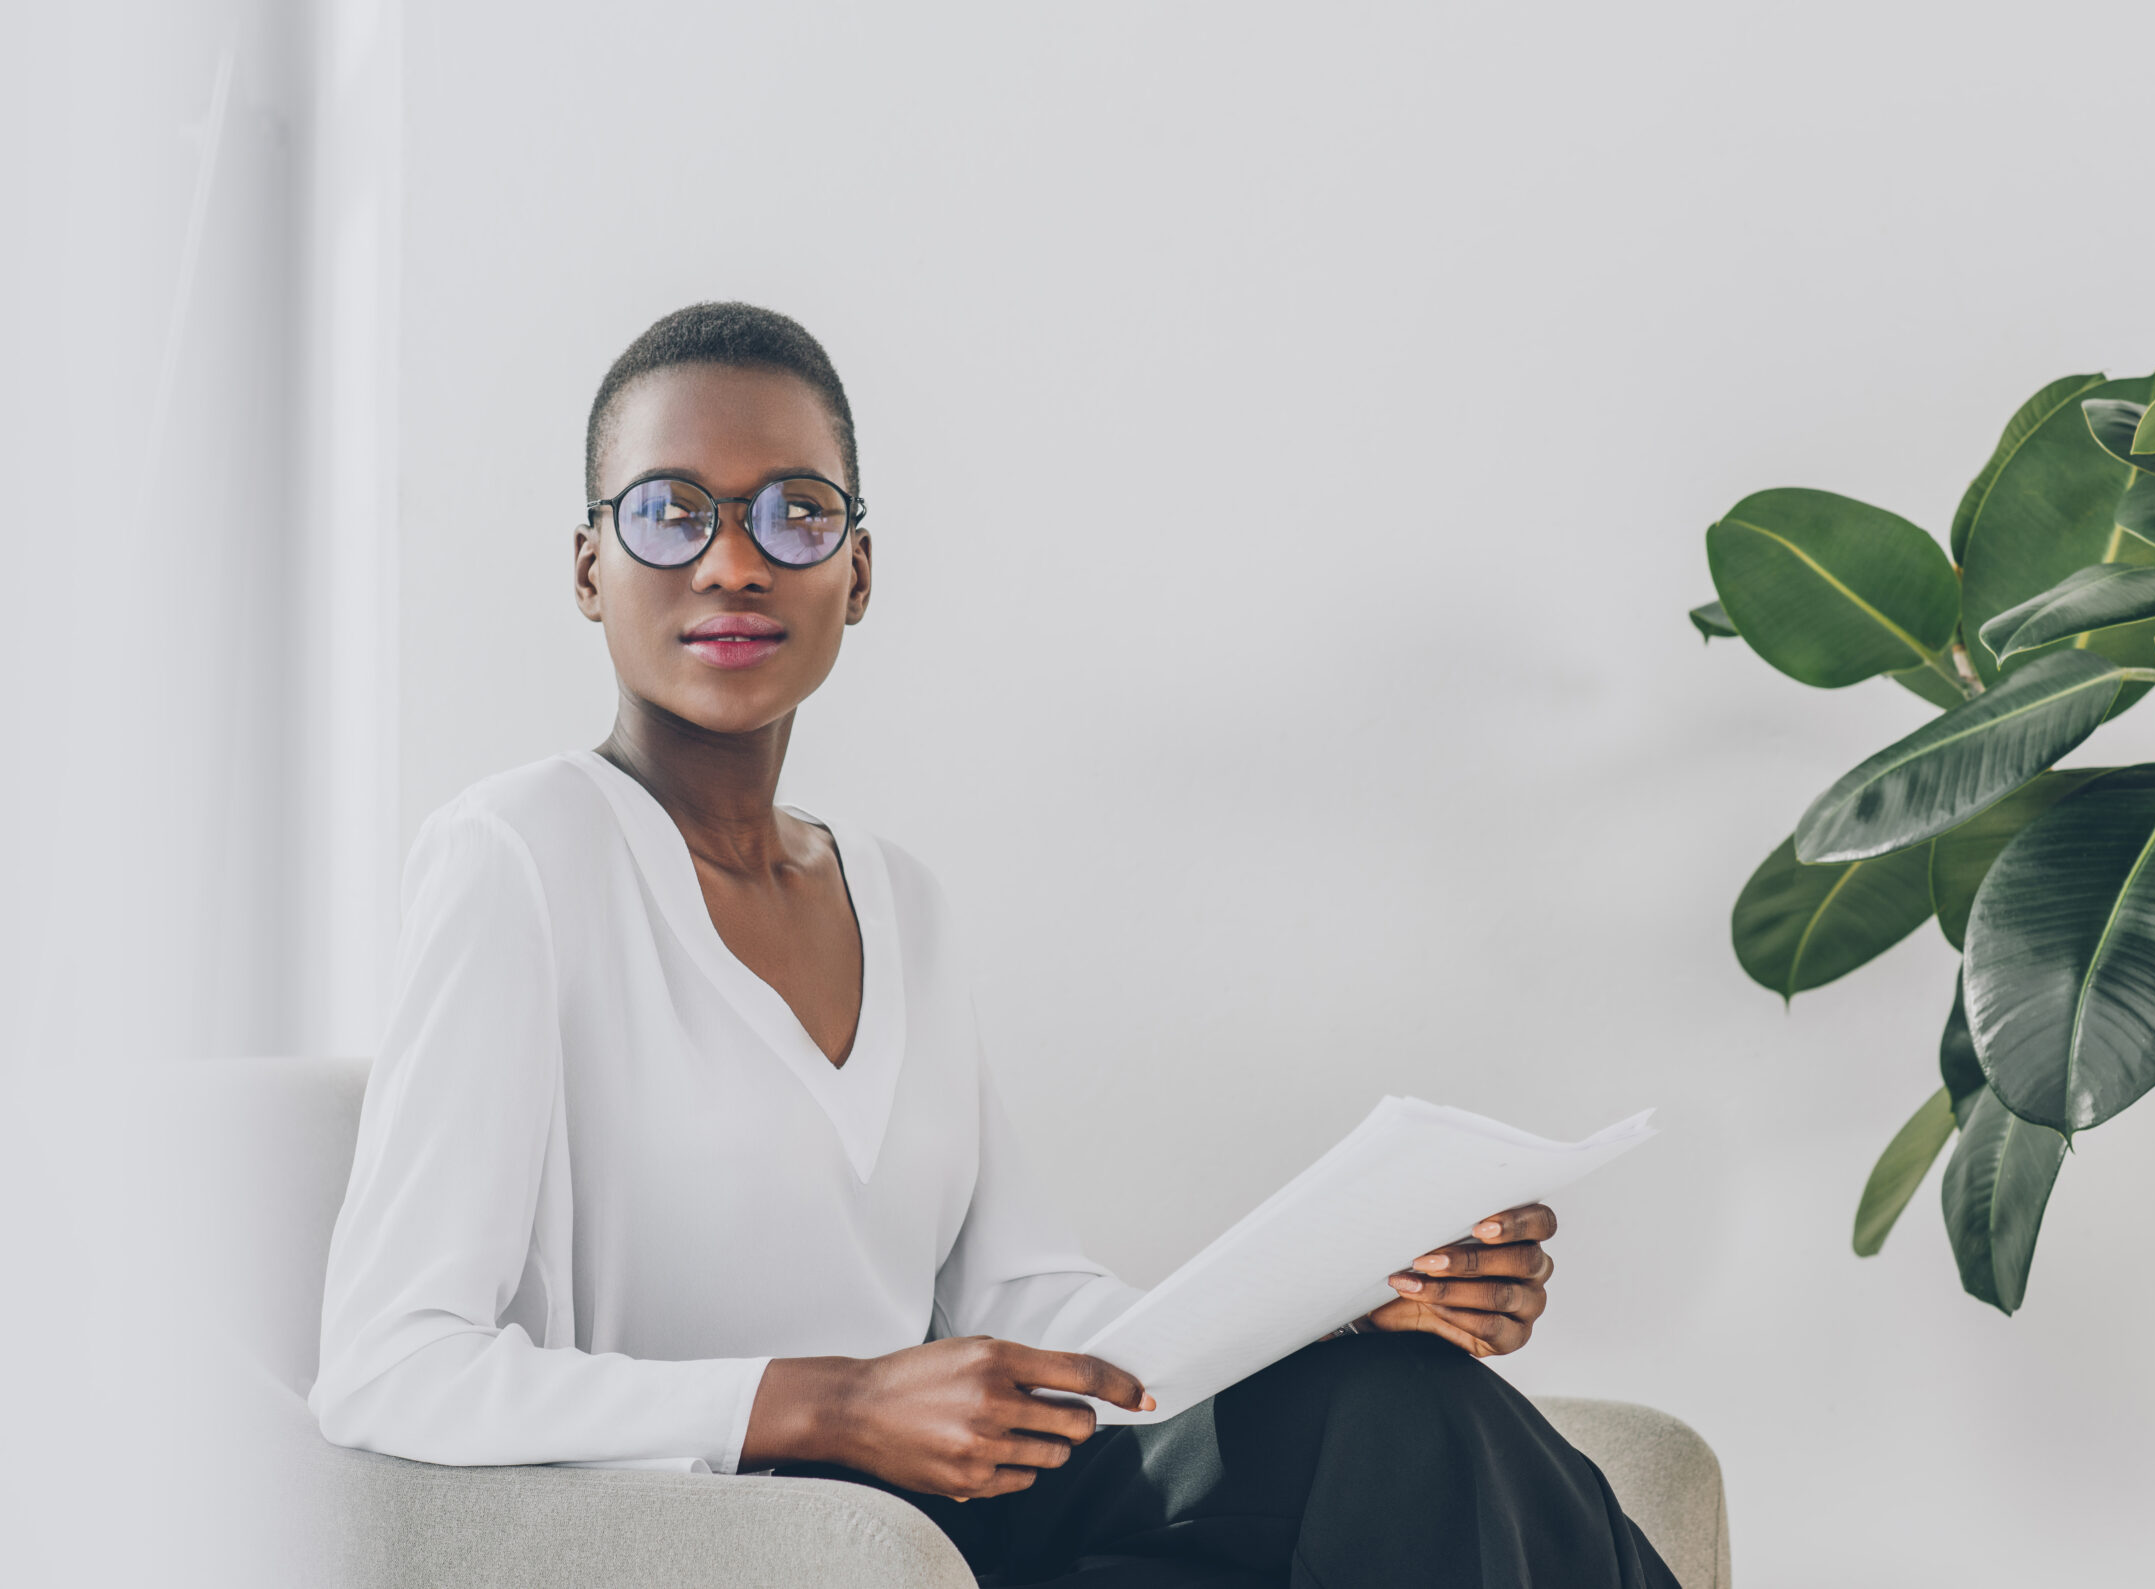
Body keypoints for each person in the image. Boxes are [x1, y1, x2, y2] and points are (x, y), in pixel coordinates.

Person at [310, 302, 1678, 1587]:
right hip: (760, 1543)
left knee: (1400, 1404)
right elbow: (390, 1364)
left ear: (857, 570)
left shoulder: (896, 896)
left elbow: (1026, 1291)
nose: (733, 558)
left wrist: (1336, 1302)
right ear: (588, 563)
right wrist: (828, 1401)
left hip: (966, 1527)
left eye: (796, 513)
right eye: (671, 513)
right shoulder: (520, 856)